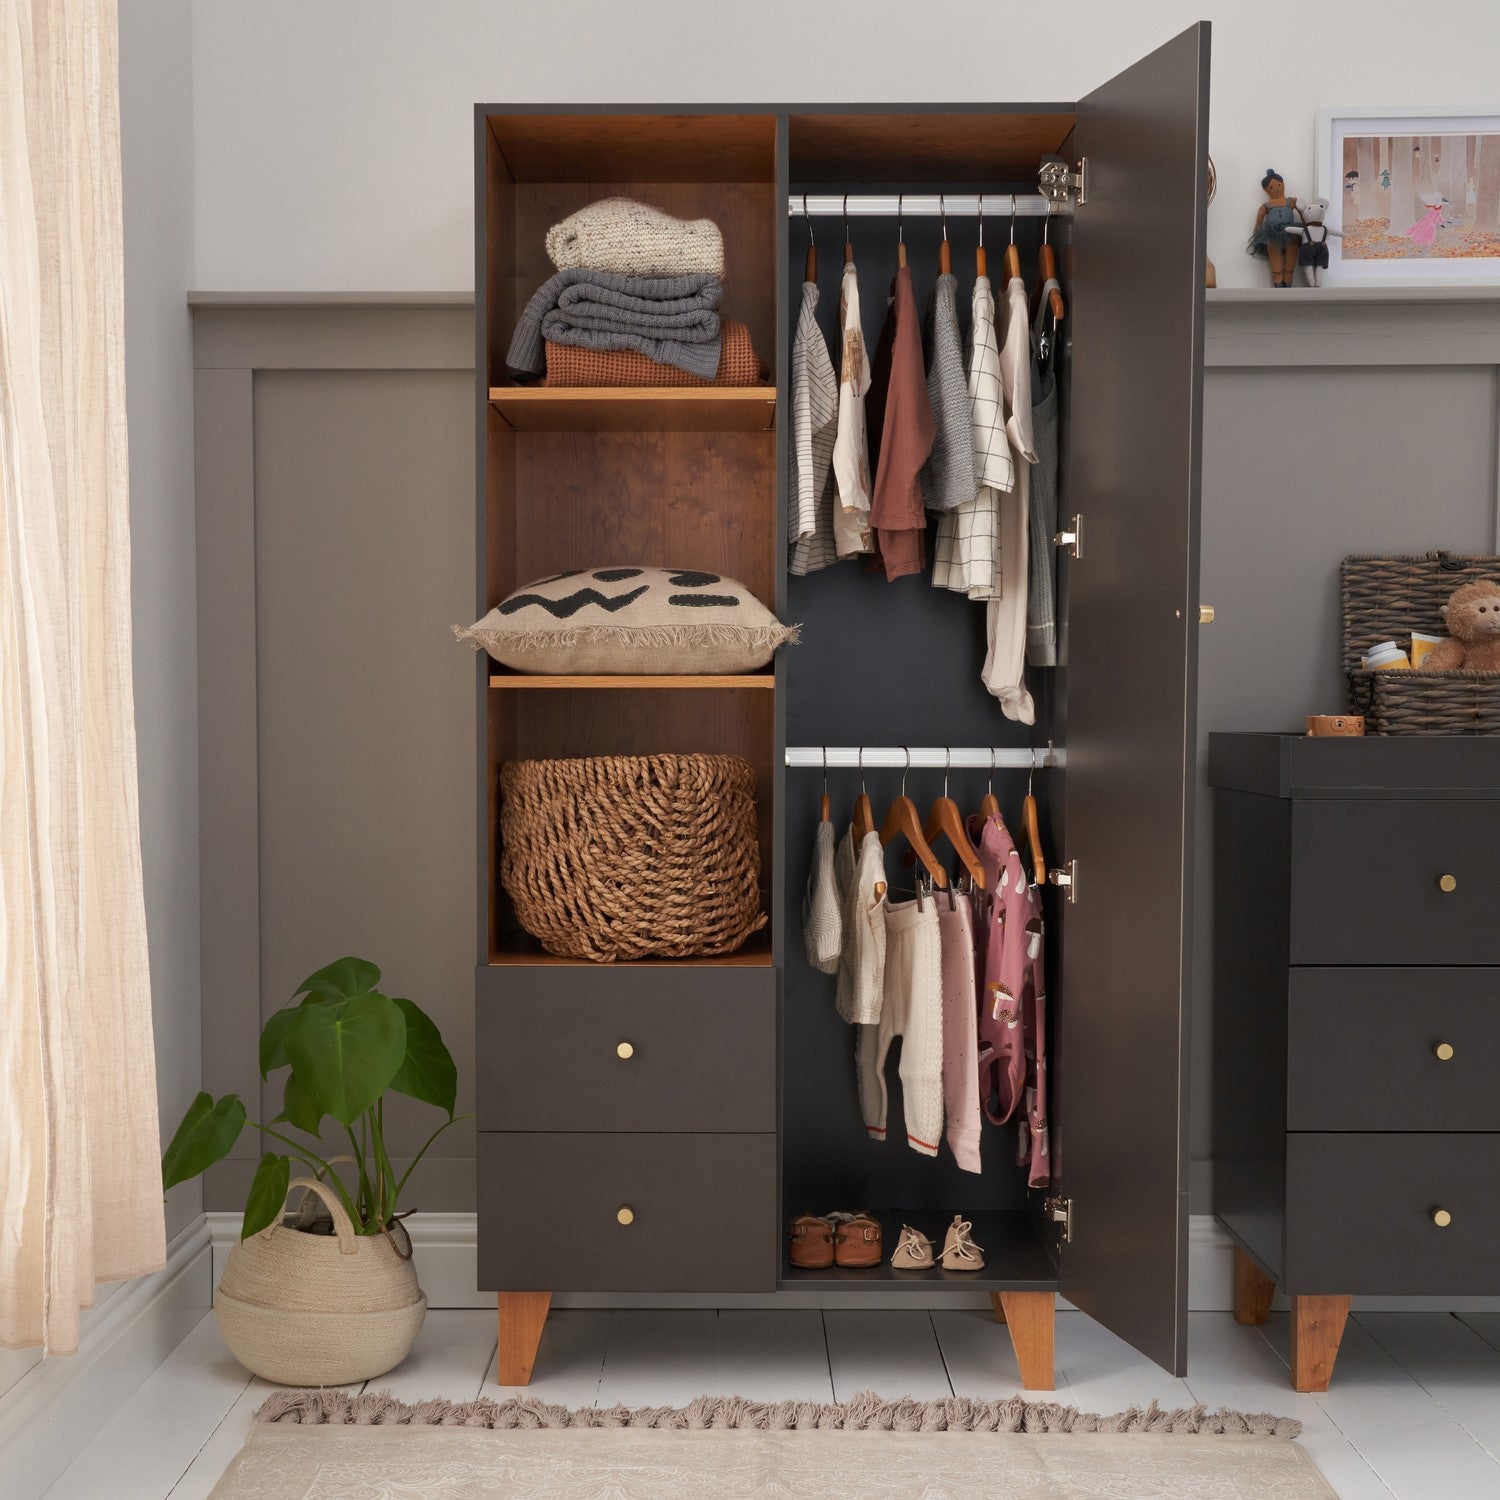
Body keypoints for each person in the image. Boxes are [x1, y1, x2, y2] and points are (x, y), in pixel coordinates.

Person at [1247, 169, 1301, 287]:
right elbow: (1259, 223)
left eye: (1278, 185)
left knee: (1292, 252)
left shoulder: (1292, 201)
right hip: (1271, 234)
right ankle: (1278, 280)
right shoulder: (1266, 206)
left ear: (1283, 184)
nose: (1276, 189)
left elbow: (1304, 212)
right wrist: (1257, 233)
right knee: (1274, 254)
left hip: (1291, 233)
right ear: (1266, 190)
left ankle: (1288, 279)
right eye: (1271, 188)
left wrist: (1307, 226)